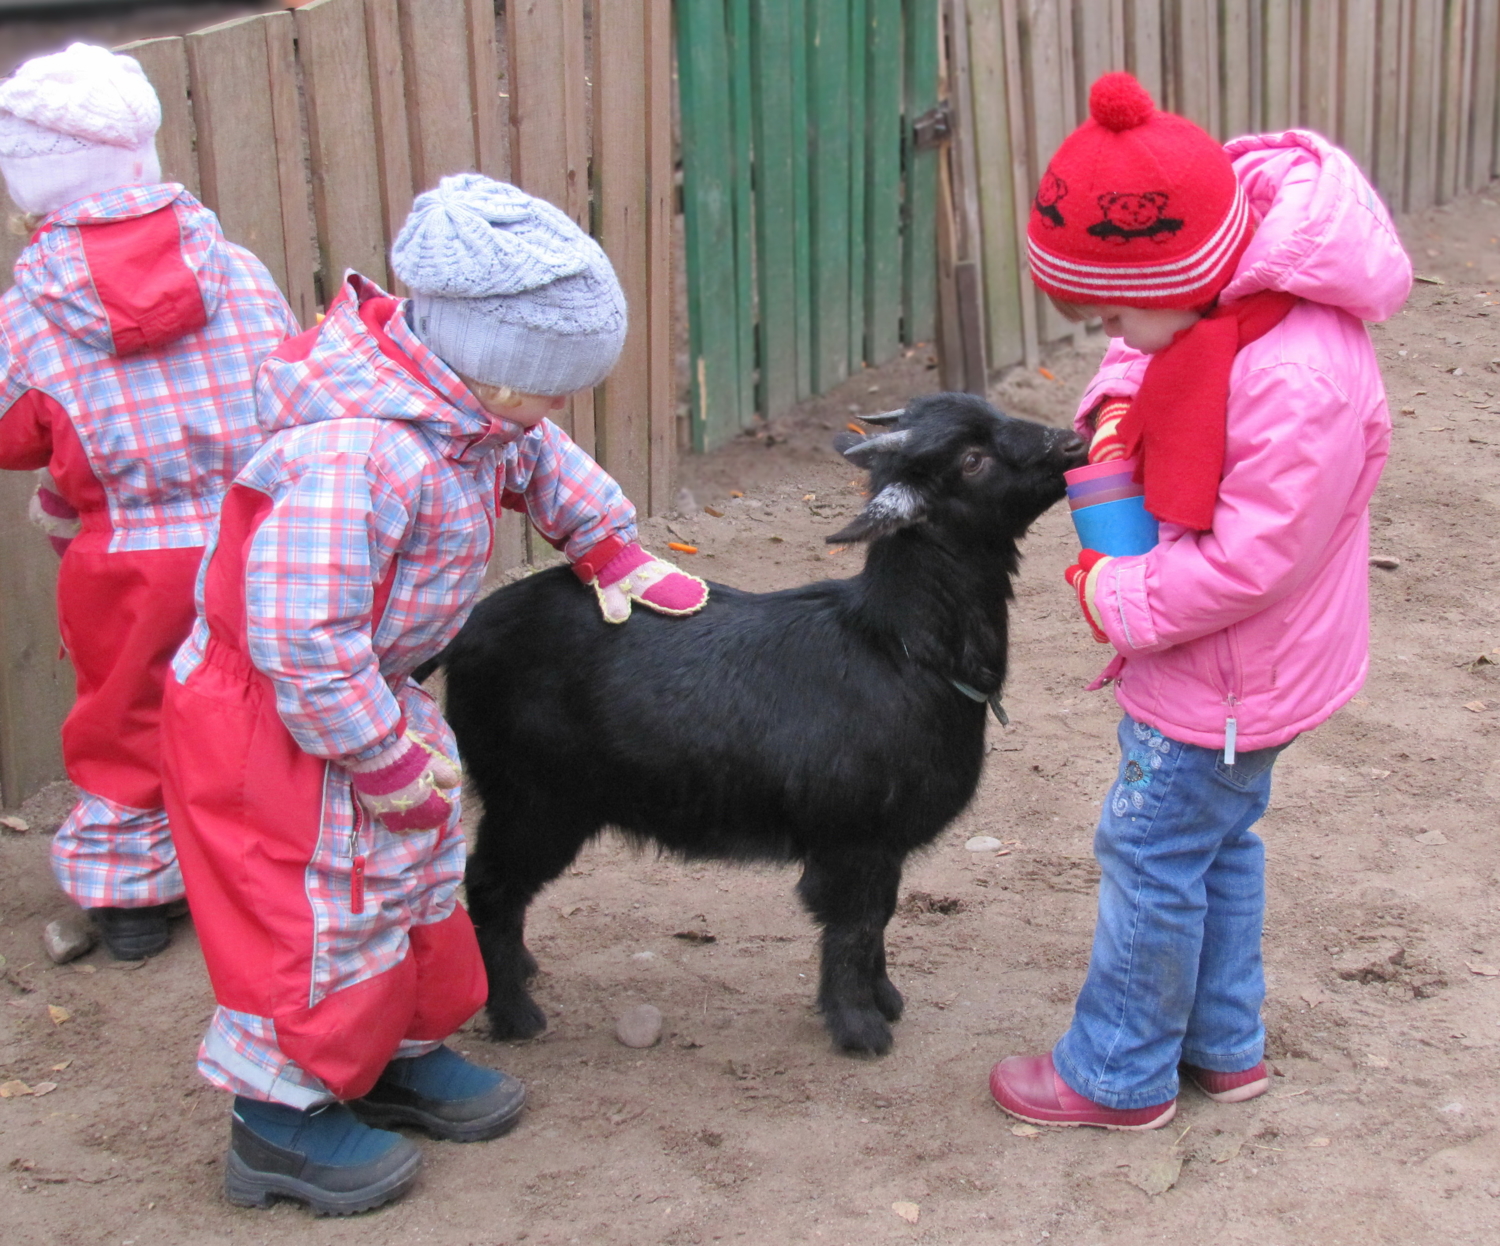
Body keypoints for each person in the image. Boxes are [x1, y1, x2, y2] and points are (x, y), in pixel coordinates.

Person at [159, 173, 708, 1213]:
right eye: (551, 388)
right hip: (278, 723)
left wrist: (606, 542)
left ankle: (390, 1053)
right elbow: (300, 639)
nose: (557, 410)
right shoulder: (356, 456)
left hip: (371, 692)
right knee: (314, 909)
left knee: (408, 873)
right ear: (494, 372)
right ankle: (277, 1119)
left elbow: (541, 460)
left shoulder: (471, 412)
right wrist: (381, 757)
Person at [988, 72, 1411, 1130]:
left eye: (1117, 309)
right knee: (1216, 846)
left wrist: (1116, 590)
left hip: (1226, 673)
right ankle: (1224, 1042)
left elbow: (1248, 562)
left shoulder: (1293, 375)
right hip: (1235, 669)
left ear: (1190, 268)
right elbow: (1146, 353)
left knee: (1149, 851)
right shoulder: (1216, 300)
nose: (1113, 331)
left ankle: (1118, 1070)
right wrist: (1120, 402)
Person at [0, 43, 297, 960]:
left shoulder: (35, 307)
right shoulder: (234, 267)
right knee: (255, 704)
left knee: (127, 714)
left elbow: (15, 433)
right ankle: (263, 866)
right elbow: (291, 381)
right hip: (253, 534)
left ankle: (131, 901)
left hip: (128, 558)